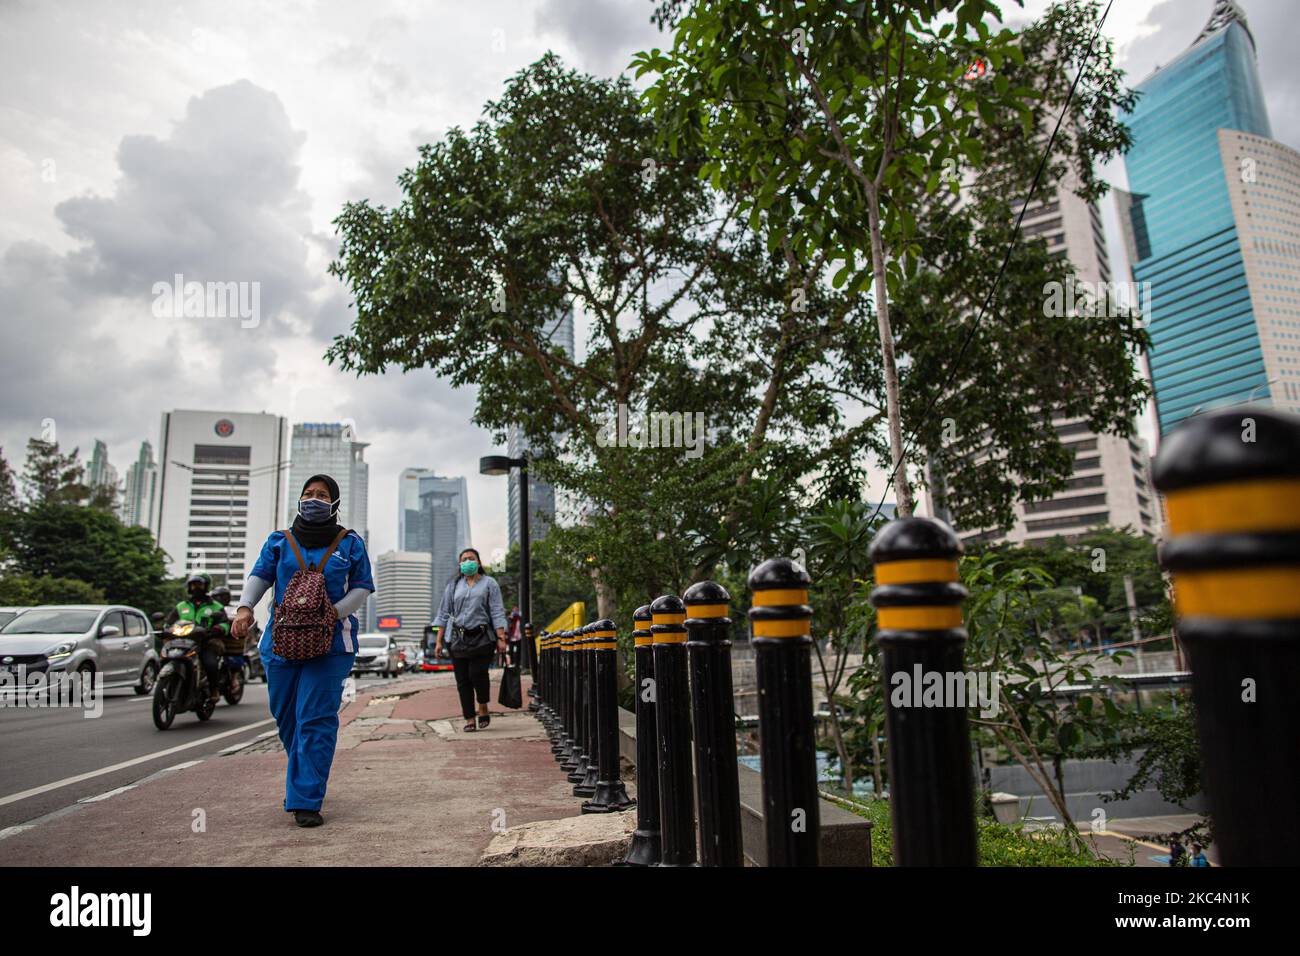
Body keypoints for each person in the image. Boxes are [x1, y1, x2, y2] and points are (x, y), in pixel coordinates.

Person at [230, 474, 374, 828]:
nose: (314, 498)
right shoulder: (280, 541)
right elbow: (261, 576)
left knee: (314, 717)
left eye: (322, 495)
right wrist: (245, 608)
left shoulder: (350, 543)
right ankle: (304, 774)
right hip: (280, 641)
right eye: (308, 493)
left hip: (331, 644)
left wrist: (333, 613)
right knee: (286, 715)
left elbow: (362, 587)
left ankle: (305, 797)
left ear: (334, 504)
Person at [432, 548, 507, 732]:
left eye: (471, 558)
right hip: (458, 639)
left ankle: (483, 706)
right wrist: (439, 640)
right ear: (460, 564)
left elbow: (497, 611)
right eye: (464, 559)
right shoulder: (453, 586)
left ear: (479, 562)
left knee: (477, 674)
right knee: (462, 680)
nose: (467, 562)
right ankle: (469, 717)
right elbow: (443, 614)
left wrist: (501, 638)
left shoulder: (490, 584)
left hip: (483, 638)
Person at [164, 572, 229, 701]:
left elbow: (225, 624)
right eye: (193, 585)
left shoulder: (216, 606)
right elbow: (169, 622)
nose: (196, 587)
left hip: (206, 642)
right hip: (182, 642)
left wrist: (218, 628)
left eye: (199, 584)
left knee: (210, 663)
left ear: (206, 586)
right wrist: (165, 628)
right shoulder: (181, 606)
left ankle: (213, 690)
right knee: (165, 655)